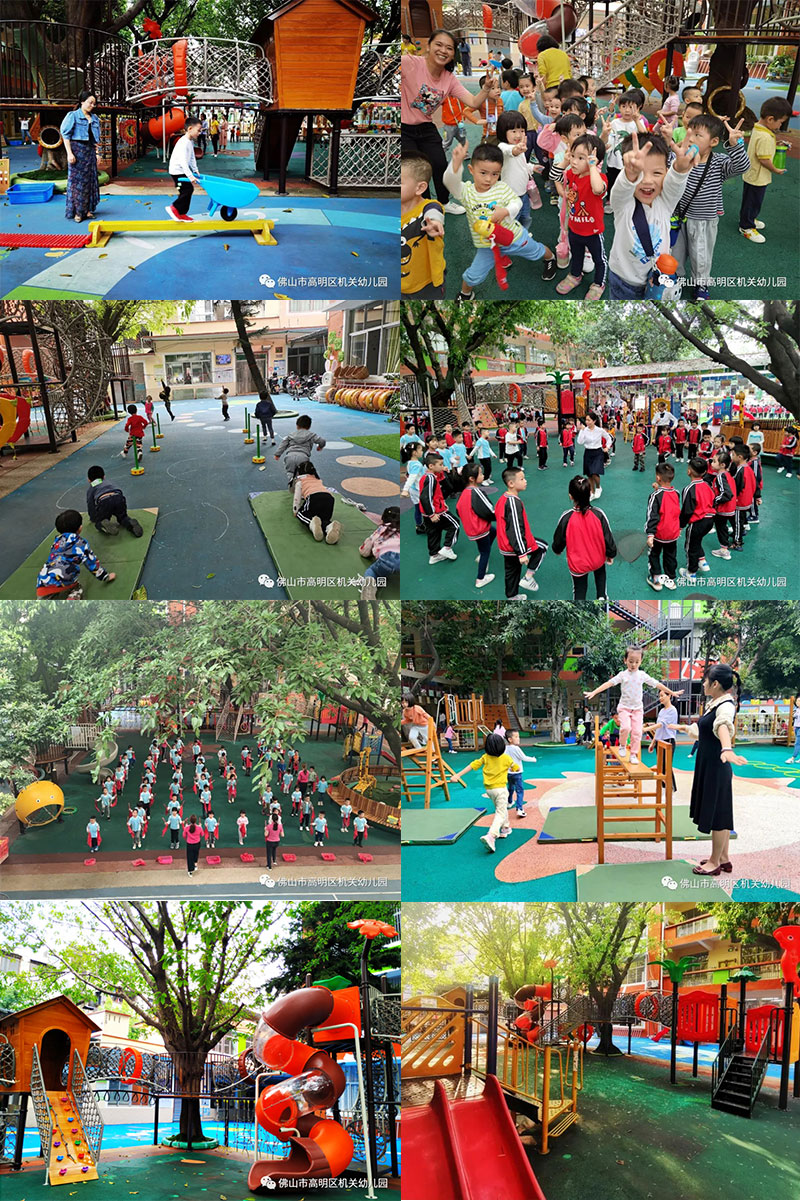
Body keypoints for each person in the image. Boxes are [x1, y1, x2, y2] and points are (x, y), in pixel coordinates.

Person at [444, 140, 556, 299]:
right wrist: (455, 164)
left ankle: (551, 258)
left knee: (537, 251)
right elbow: (450, 182)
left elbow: (516, 202)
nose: (489, 179)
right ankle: (465, 294)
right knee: (472, 275)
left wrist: (506, 211)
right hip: (487, 246)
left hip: (514, 238)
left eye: (495, 174)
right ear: (471, 169)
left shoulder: (502, 188)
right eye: (483, 173)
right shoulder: (466, 191)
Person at [401, 29, 494, 211]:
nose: (443, 50)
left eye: (449, 48)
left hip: (426, 127)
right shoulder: (409, 63)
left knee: (439, 163)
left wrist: (486, 89)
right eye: (439, 44)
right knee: (416, 170)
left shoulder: (449, 79)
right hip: (404, 128)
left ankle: (443, 202)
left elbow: (473, 101)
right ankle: (423, 206)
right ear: (429, 46)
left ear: (453, 54)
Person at [674, 664, 747, 875]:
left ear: (715, 684)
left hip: (717, 765)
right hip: (711, 765)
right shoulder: (716, 703)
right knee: (722, 812)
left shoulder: (725, 706)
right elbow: (703, 730)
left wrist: (726, 748)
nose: (703, 683)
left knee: (718, 815)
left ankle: (714, 862)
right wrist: (679, 728)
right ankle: (724, 858)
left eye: (705, 680)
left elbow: (723, 725)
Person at [608, 130, 696, 299]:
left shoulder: (665, 203)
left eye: (657, 173)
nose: (647, 180)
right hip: (624, 282)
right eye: (639, 173)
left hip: (657, 281)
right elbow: (620, 190)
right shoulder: (624, 205)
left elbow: (676, 182)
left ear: (666, 173)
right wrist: (629, 174)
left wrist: (680, 168)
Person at [671, 114, 749, 299]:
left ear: (714, 141)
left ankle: (701, 284)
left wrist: (734, 145)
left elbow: (742, 167)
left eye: (698, 135)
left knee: (701, 256)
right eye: (689, 132)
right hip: (678, 216)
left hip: (703, 220)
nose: (690, 138)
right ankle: (676, 279)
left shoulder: (719, 162)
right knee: (675, 253)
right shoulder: (679, 156)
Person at [585, 647, 679, 764]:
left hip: (638, 709)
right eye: (630, 661)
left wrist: (671, 692)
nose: (633, 665)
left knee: (637, 732)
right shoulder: (622, 675)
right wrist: (594, 692)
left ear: (641, 661)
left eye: (637, 662)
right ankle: (623, 745)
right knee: (625, 728)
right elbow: (608, 684)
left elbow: (657, 684)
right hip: (624, 707)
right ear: (625, 660)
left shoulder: (642, 675)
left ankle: (633, 754)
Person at [556, 133, 608, 297]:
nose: (574, 161)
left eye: (581, 158)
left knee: (599, 260)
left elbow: (598, 189)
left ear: (596, 161)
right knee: (576, 255)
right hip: (574, 228)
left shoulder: (600, 178)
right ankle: (575, 275)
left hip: (593, 232)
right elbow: (554, 176)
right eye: (573, 156)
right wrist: (565, 161)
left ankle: (599, 284)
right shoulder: (572, 174)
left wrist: (593, 167)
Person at [449, 733, 517, 853]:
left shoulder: (485, 757)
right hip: (501, 789)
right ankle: (491, 835)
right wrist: (514, 768)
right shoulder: (506, 758)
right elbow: (515, 767)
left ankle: (505, 828)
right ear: (502, 746)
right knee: (500, 812)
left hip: (489, 790)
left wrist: (457, 775)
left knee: (500, 808)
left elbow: (471, 766)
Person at [552, 474, 616, 600]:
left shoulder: (566, 518)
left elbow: (559, 540)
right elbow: (608, 537)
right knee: (600, 575)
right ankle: (602, 596)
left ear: (570, 496)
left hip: (578, 564)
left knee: (579, 589)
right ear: (590, 492)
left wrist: (557, 549)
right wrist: (611, 554)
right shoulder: (599, 514)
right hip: (598, 559)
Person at [738, 97, 792, 243]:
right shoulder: (765, 136)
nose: (781, 124)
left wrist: (777, 142)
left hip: (752, 173)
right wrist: (776, 170)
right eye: (780, 122)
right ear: (770, 119)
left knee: (750, 200)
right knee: (753, 201)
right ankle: (746, 227)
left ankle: (749, 219)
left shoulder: (759, 128)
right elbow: (764, 159)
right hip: (757, 177)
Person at [36, 510, 116, 599]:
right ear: (80, 528)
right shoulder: (81, 543)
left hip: (43, 579)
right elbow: (92, 563)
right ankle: (72, 599)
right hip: (65, 577)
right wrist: (105, 576)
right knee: (78, 587)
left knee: (47, 593)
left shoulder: (57, 541)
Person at [495, 465, 548, 599]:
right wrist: (522, 552)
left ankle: (512, 596)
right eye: (522, 479)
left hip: (505, 545)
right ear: (511, 483)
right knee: (542, 547)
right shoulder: (513, 502)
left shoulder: (503, 498)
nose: (525, 481)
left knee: (512, 570)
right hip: (514, 545)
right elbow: (515, 529)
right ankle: (528, 577)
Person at [60, 91, 101, 223]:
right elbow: (65, 135)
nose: (92, 105)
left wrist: (97, 153)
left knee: (90, 181)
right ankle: (78, 212)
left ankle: (87, 210)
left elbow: (96, 140)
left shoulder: (94, 118)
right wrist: (69, 153)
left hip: (89, 152)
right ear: (82, 102)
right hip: (77, 151)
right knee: (78, 183)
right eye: (90, 102)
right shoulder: (73, 116)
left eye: (94, 103)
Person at [456, 462, 497, 589]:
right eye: (480, 473)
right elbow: (489, 510)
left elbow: (458, 509)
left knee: (493, 531)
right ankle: (480, 578)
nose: (483, 475)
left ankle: (481, 556)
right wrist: (500, 517)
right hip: (480, 529)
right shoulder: (477, 492)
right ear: (472, 478)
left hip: (472, 529)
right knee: (486, 552)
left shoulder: (464, 493)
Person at [645, 461, 680, 591]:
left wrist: (650, 534)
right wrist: (658, 488)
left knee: (654, 554)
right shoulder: (676, 493)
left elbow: (652, 516)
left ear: (658, 478)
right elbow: (670, 507)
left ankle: (656, 579)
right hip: (673, 534)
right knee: (670, 555)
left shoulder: (655, 496)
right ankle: (670, 579)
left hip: (659, 534)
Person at [679, 456, 715, 580]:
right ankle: (702, 561)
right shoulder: (707, 486)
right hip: (710, 520)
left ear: (689, 471)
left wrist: (681, 525)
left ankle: (691, 572)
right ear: (705, 472)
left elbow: (687, 511)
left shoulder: (689, 489)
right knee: (697, 540)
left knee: (690, 546)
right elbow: (713, 500)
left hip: (697, 522)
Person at [292, 460, 342, 545]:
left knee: (302, 513)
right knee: (324, 519)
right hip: (329, 498)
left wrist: (295, 511)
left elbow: (297, 499)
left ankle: (312, 523)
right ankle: (329, 527)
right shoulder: (317, 478)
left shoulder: (300, 480)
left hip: (314, 497)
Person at [86, 465, 144, 538]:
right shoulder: (108, 482)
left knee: (100, 521)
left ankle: (103, 524)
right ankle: (130, 523)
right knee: (122, 517)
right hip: (118, 497)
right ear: (104, 476)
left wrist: (93, 518)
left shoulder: (92, 487)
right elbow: (119, 490)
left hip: (104, 501)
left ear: (89, 480)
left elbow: (90, 503)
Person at [166, 116, 202, 221]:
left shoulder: (189, 141)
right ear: (190, 129)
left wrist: (195, 169)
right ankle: (174, 208)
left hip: (181, 170)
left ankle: (181, 213)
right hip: (177, 171)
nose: (199, 133)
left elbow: (191, 158)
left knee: (186, 190)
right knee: (187, 189)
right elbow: (183, 162)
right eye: (198, 130)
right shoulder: (183, 142)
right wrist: (190, 176)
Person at [644, 686, 679, 793]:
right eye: (659, 696)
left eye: (662, 696)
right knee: (661, 766)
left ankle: (671, 788)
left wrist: (645, 729)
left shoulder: (672, 710)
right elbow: (659, 728)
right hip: (660, 741)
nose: (660, 698)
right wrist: (653, 742)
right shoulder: (661, 711)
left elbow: (660, 725)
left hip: (668, 741)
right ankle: (665, 788)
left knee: (666, 767)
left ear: (669, 696)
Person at [275, 415, 327, 485]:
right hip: (303, 457)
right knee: (304, 474)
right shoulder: (311, 435)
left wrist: (277, 454)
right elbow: (322, 441)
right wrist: (320, 447)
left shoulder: (291, 435)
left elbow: (283, 444)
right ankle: (302, 488)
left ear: (297, 425)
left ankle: (293, 485)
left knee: (290, 473)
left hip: (290, 456)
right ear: (309, 426)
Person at [576, 410, 609, 499]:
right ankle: (592, 492)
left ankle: (598, 487)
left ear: (594, 421)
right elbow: (579, 442)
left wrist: (607, 447)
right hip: (588, 452)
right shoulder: (584, 430)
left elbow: (608, 438)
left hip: (598, 452)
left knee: (595, 473)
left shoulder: (599, 430)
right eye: (586, 420)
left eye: (589, 420)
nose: (587, 422)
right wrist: (582, 431)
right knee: (589, 474)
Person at [505, 729, 537, 818]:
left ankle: (509, 801)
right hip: (517, 773)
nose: (518, 738)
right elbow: (523, 758)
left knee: (510, 788)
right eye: (516, 737)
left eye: (518, 736)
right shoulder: (516, 748)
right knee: (519, 790)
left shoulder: (505, 748)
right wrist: (533, 759)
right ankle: (519, 808)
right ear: (510, 739)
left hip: (508, 773)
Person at [787, 697, 800, 764]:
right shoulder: (797, 709)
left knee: (797, 743)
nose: (797, 702)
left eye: (799, 701)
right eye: (797, 701)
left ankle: (793, 758)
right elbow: (793, 716)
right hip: (796, 727)